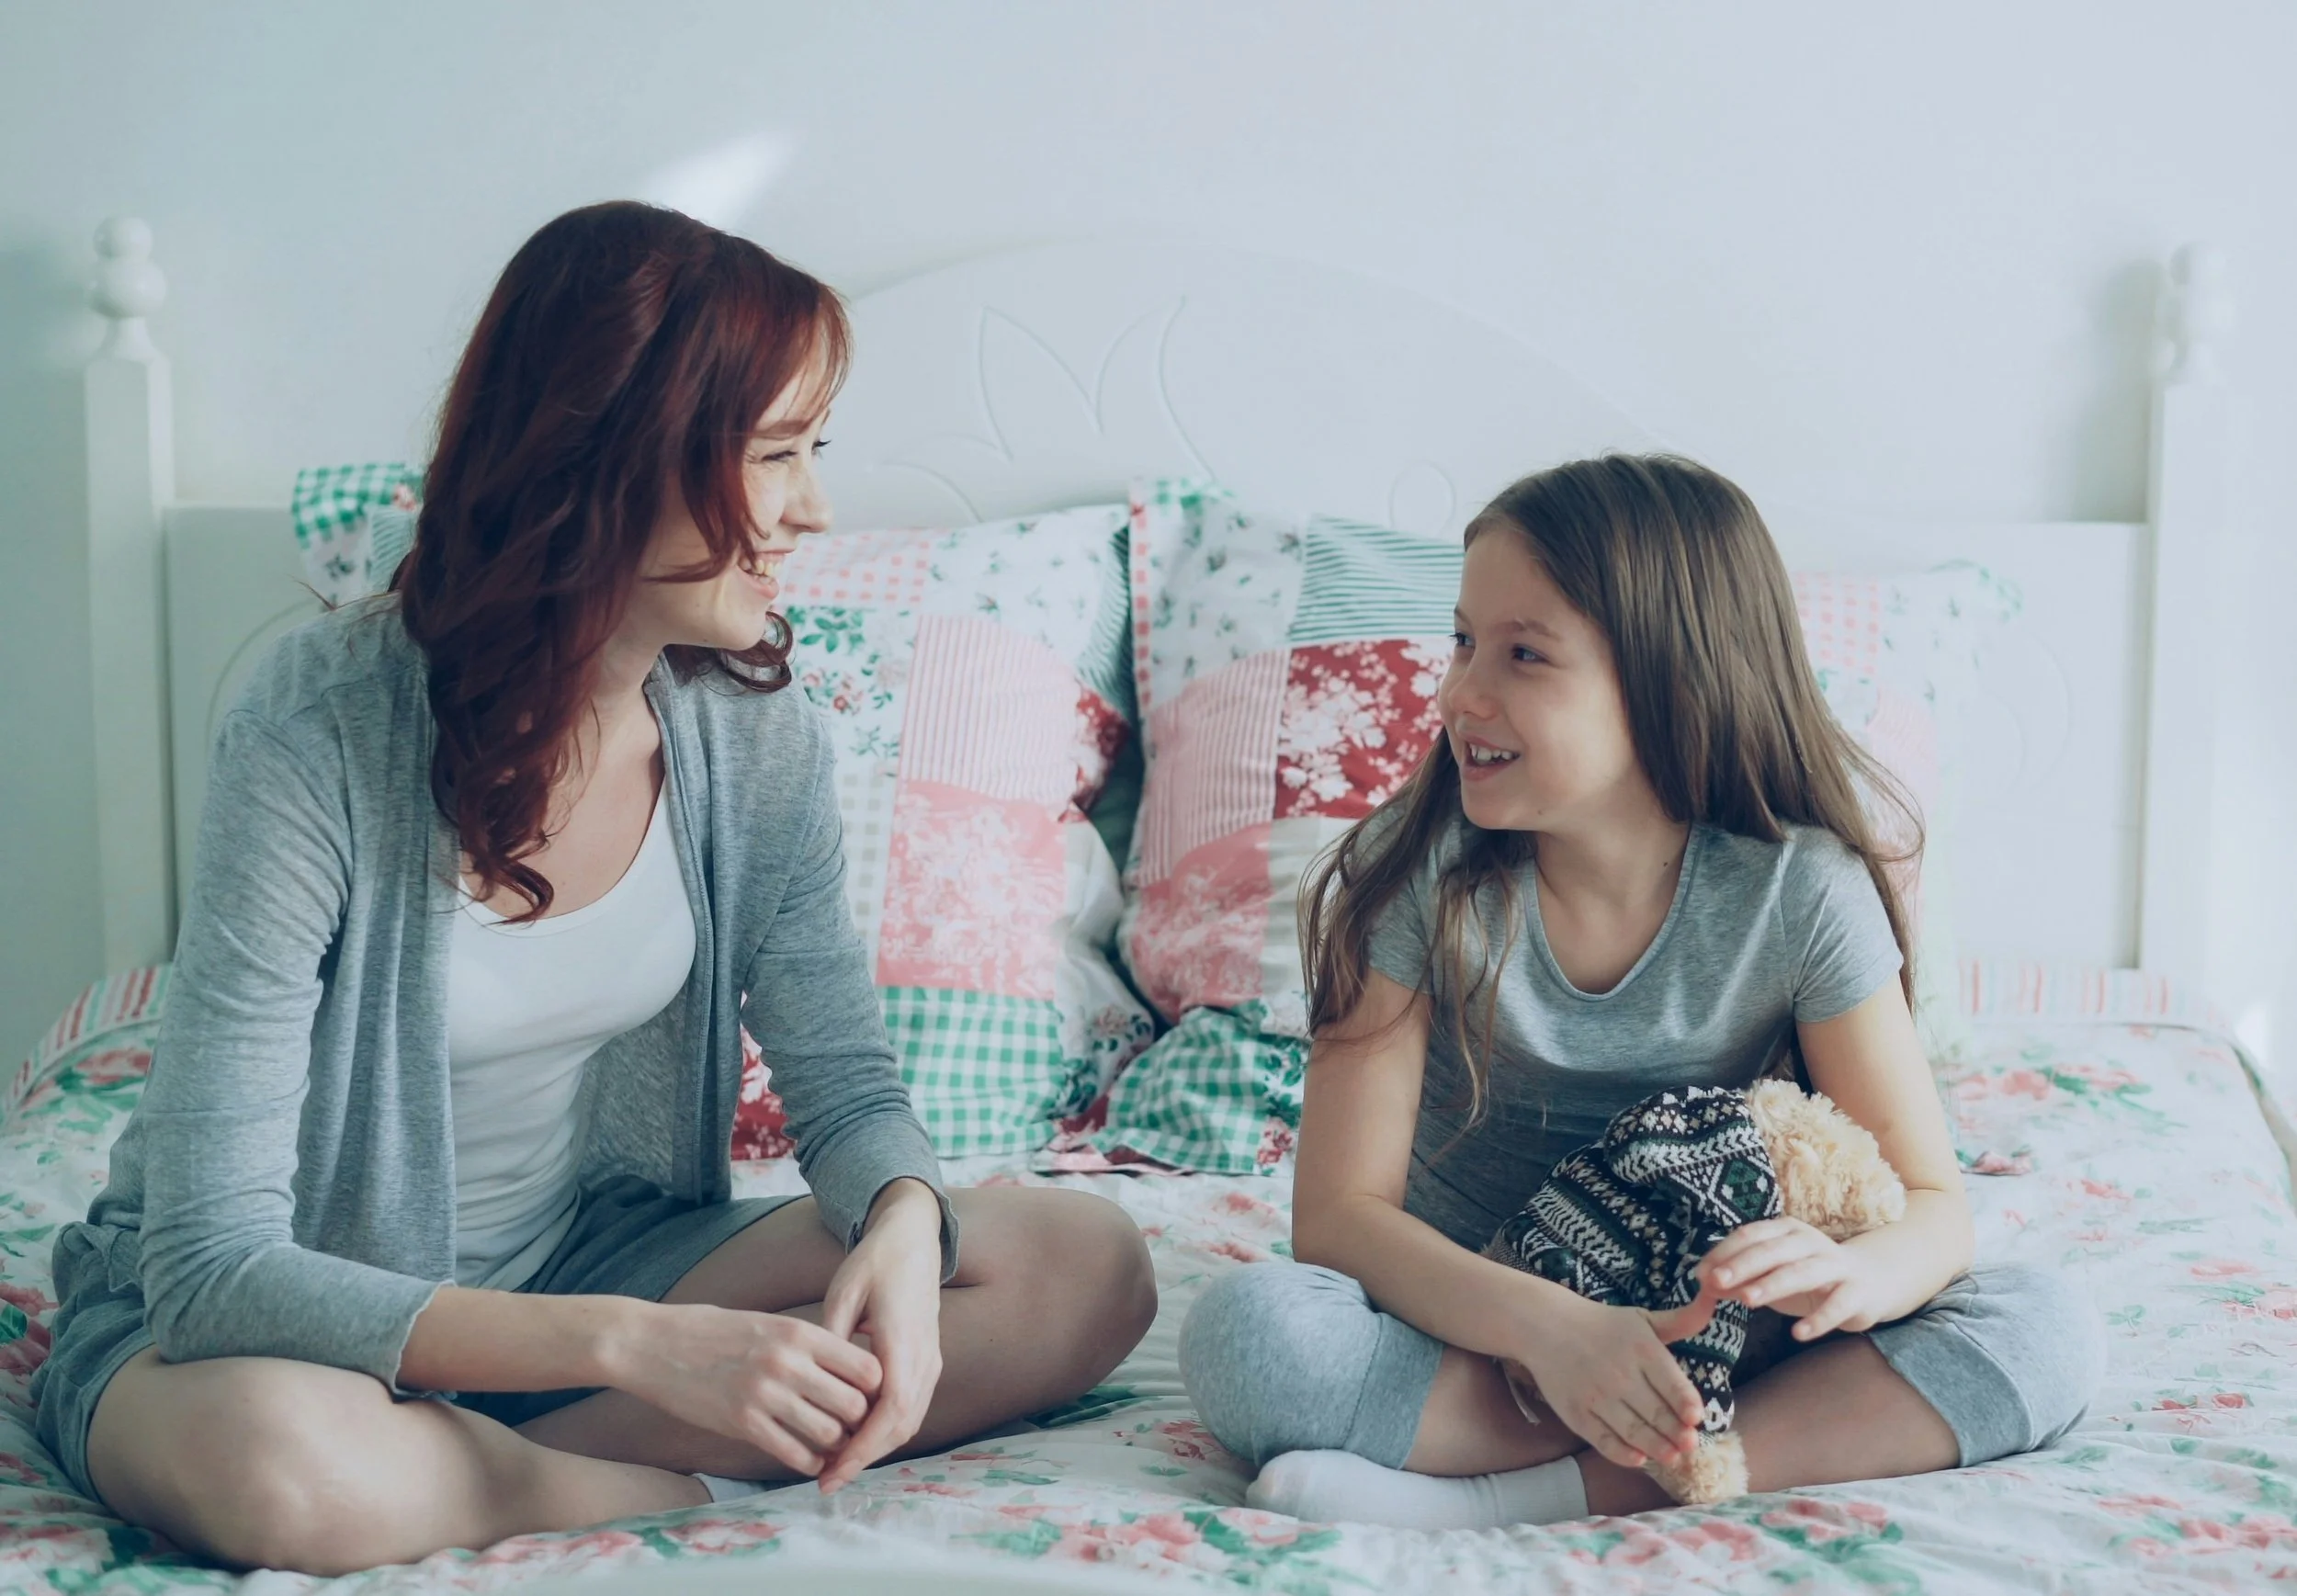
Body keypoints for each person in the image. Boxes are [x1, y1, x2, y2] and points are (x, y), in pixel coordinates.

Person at [33, 201, 1157, 1575]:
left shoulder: (752, 731)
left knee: (1080, 1264)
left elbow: (849, 1090)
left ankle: (499, 1468)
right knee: (275, 1462)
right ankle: (647, 1481)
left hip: (587, 1253)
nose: (813, 509)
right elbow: (212, 1268)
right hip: (279, 1321)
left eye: (816, 453)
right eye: (776, 456)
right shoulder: (318, 725)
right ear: (615, 460)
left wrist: (908, 1227)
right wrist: (645, 1349)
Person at [1179, 455, 2102, 1529]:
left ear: (1674, 682)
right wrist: (1548, 1331)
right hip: (1483, 1328)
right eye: (1464, 641)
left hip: (1729, 1349)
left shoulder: (1797, 891)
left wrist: (1859, 1275)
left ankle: (1510, 1503)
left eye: (1524, 654)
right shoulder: (1417, 875)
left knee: (2043, 1329)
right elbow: (1339, 1220)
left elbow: (1934, 1208)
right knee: (1253, 1335)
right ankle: (1635, 1453)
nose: (1457, 693)